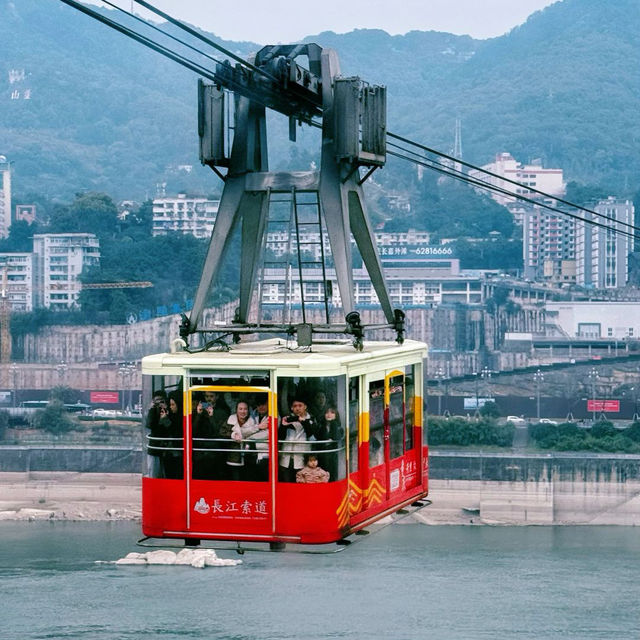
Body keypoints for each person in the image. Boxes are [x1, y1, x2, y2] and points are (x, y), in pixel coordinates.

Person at [192, 391, 230, 480]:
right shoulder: (199, 412)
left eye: (211, 396)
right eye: (206, 396)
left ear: (217, 397)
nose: (208, 399)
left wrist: (211, 416)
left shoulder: (222, 412)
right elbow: (193, 431)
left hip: (216, 453)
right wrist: (198, 414)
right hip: (200, 453)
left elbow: (219, 432)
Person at [278, 397, 317, 482]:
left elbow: (312, 438)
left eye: (300, 406)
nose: (297, 408)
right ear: (292, 408)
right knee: (287, 485)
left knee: (300, 486)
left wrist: (303, 422)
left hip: (302, 458)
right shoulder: (288, 419)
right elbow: (280, 436)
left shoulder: (311, 419)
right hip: (286, 458)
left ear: (305, 407)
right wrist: (283, 426)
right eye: (295, 406)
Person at [219, 400, 256, 480]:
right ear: (236, 410)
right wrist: (233, 434)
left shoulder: (253, 421)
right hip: (233, 457)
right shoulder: (230, 419)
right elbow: (222, 432)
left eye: (245, 409)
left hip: (248, 458)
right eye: (240, 409)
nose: (243, 411)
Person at [145, 390, 168, 478]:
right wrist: (152, 409)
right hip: (155, 446)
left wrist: (166, 411)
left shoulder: (169, 409)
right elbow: (149, 425)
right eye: (157, 400)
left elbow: (171, 426)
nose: (159, 403)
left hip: (166, 446)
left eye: (161, 400)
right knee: (154, 473)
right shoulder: (153, 411)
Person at [317, 406, 344, 481]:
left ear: (336, 415)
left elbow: (336, 437)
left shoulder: (338, 427)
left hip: (332, 457)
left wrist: (333, 423)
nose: (329, 414)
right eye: (327, 412)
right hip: (321, 456)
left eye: (332, 412)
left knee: (331, 476)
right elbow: (321, 437)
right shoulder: (321, 426)